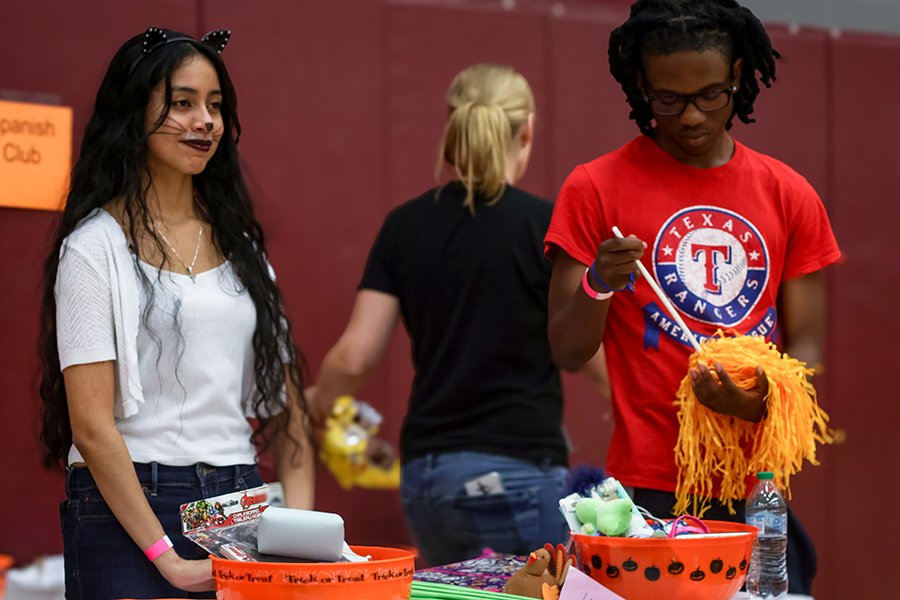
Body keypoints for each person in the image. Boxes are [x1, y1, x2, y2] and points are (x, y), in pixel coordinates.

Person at [544, 0, 839, 595]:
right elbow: (567, 348)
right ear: (640, 88)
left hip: (758, 488)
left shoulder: (790, 193)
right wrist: (600, 281)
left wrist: (763, 404)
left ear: (737, 78)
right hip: (648, 488)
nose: (691, 117)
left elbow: (806, 344)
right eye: (667, 100)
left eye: (710, 94)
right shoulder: (594, 187)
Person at [37, 28, 313, 600]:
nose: (206, 122)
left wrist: (299, 534)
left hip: (238, 496)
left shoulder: (243, 248)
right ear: (133, 113)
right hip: (128, 502)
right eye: (182, 103)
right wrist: (166, 558)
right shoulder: (94, 247)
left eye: (215, 106)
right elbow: (90, 425)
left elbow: (290, 411)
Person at [309, 63, 605, 567]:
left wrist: (320, 399)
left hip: (428, 480)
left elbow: (356, 354)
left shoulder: (405, 225)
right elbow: (592, 356)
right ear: (527, 129)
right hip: (519, 471)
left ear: (452, 126)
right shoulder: (546, 226)